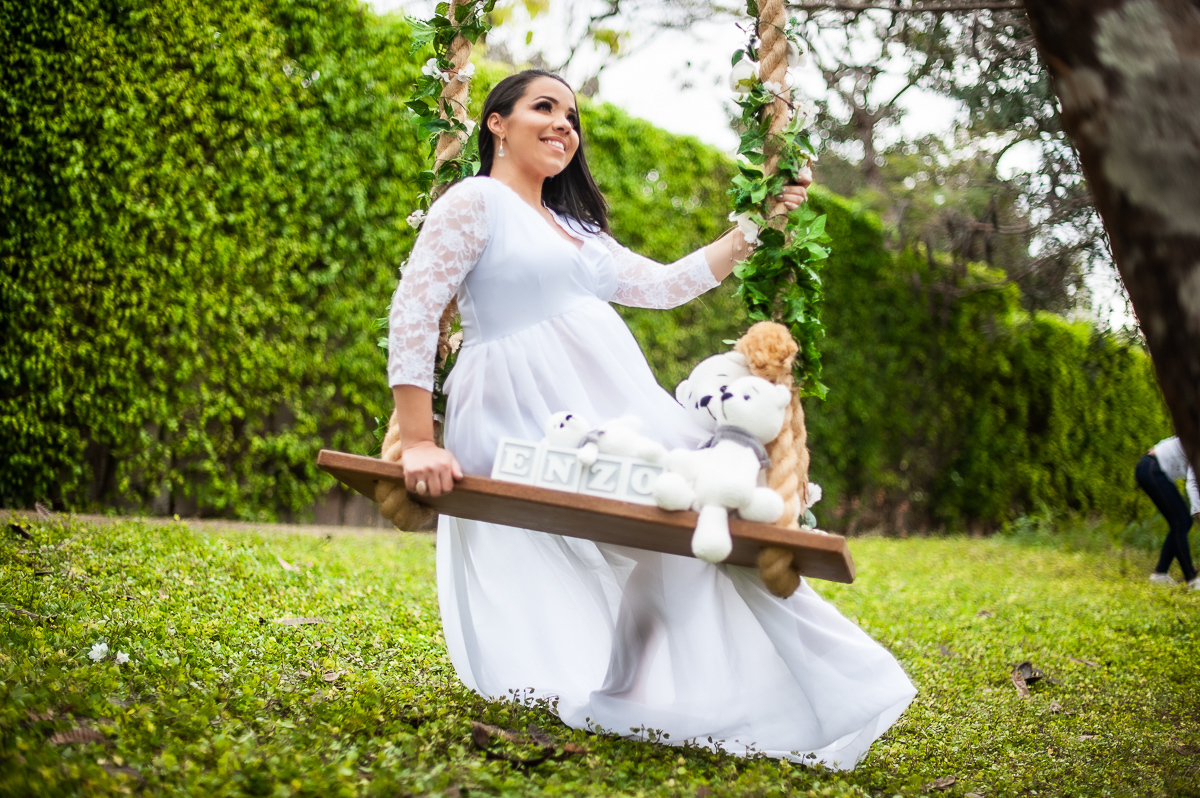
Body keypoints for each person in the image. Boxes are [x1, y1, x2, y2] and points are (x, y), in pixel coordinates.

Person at [387, 69, 916, 768]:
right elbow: (416, 309)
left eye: (572, 117)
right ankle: (647, 691)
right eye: (544, 108)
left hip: (609, 418)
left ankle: (643, 691)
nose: (563, 125)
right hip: (523, 414)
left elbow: (665, 286)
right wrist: (419, 440)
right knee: (689, 515)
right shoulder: (476, 201)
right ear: (496, 123)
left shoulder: (575, 229)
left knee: (703, 521)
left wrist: (758, 226)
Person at [1136, 436, 1200, 590]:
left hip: (1151, 469)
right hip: (1150, 468)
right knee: (1180, 522)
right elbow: (1193, 482)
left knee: (1183, 522)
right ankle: (1192, 579)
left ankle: (1160, 574)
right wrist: (1198, 511)